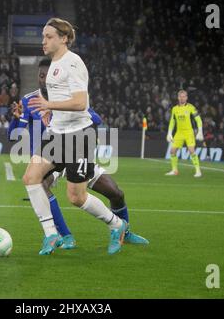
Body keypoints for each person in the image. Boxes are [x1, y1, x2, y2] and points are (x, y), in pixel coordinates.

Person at [9, 58, 148, 250]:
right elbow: (13, 134)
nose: (44, 79)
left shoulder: (69, 98)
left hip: (76, 150)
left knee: (115, 193)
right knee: (39, 182)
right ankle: (63, 236)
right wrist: (16, 119)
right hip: (52, 154)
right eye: (41, 76)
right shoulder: (29, 100)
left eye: (47, 76)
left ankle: (124, 230)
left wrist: (61, 115)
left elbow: (94, 118)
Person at [22, 18, 128, 255]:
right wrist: (51, 110)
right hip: (57, 134)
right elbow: (63, 99)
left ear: (64, 38)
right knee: (31, 177)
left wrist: (50, 103)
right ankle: (51, 235)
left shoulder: (73, 63)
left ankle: (117, 225)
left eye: (49, 36)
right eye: (43, 37)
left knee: (76, 197)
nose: (44, 41)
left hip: (79, 136)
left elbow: (81, 103)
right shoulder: (53, 65)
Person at [165, 90, 204, 177]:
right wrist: (169, 133)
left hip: (189, 132)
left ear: (186, 97)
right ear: (178, 98)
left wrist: (200, 131)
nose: (182, 98)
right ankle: (174, 170)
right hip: (179, 132)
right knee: (172, 151)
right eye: (180, 96)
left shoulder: (191, 107)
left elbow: (198, 119)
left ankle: (198, 171)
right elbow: (172, 121)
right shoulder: (175, 109)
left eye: (184, 96)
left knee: (191, 150)